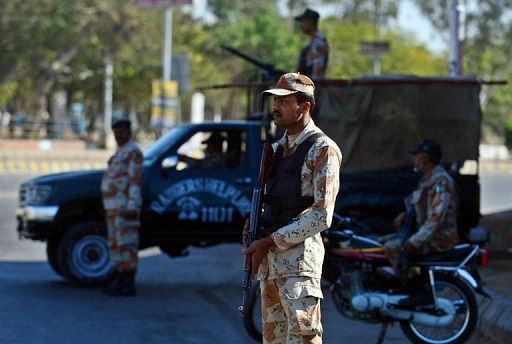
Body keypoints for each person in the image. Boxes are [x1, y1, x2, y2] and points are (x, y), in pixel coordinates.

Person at [243, 72, 342, 343]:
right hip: (271, 264)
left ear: (304, 106)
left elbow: (322, 215)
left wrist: (269, 241)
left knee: (303, 337)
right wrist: (252, 236)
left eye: (284, 101)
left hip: (299, 264)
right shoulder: (275, 150)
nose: (276, 106)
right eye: (275, 100)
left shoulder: (322, 149)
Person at [381, 139, 459, 307]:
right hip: (430, 234)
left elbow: (435, 219)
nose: (413, 160)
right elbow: (420, 207)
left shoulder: (440, 181)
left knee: (393, 247)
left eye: (416, 156)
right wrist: (405, 214)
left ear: (425, 158)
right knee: (377, 242)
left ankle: (415, 291)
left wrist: (415, 241)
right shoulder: (428, 179)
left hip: (440, 238)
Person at [101, 119, 143, 296]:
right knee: (116, 245)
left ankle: (128, 283)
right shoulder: (120, 152)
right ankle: (119, 279)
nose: (119, 136)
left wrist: (132, 206)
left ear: (129, 133)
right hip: (113, 208)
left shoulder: (133, 152)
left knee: (127, 245)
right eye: (116, 133)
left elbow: (135, 180)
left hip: (125, 207)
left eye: (122, 132)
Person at [295, 8, 329, 80]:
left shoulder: (318, 43)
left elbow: (316, 74)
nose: (301, 25)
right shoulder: (313, 41)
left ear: (309, 22)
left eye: (303, 22)